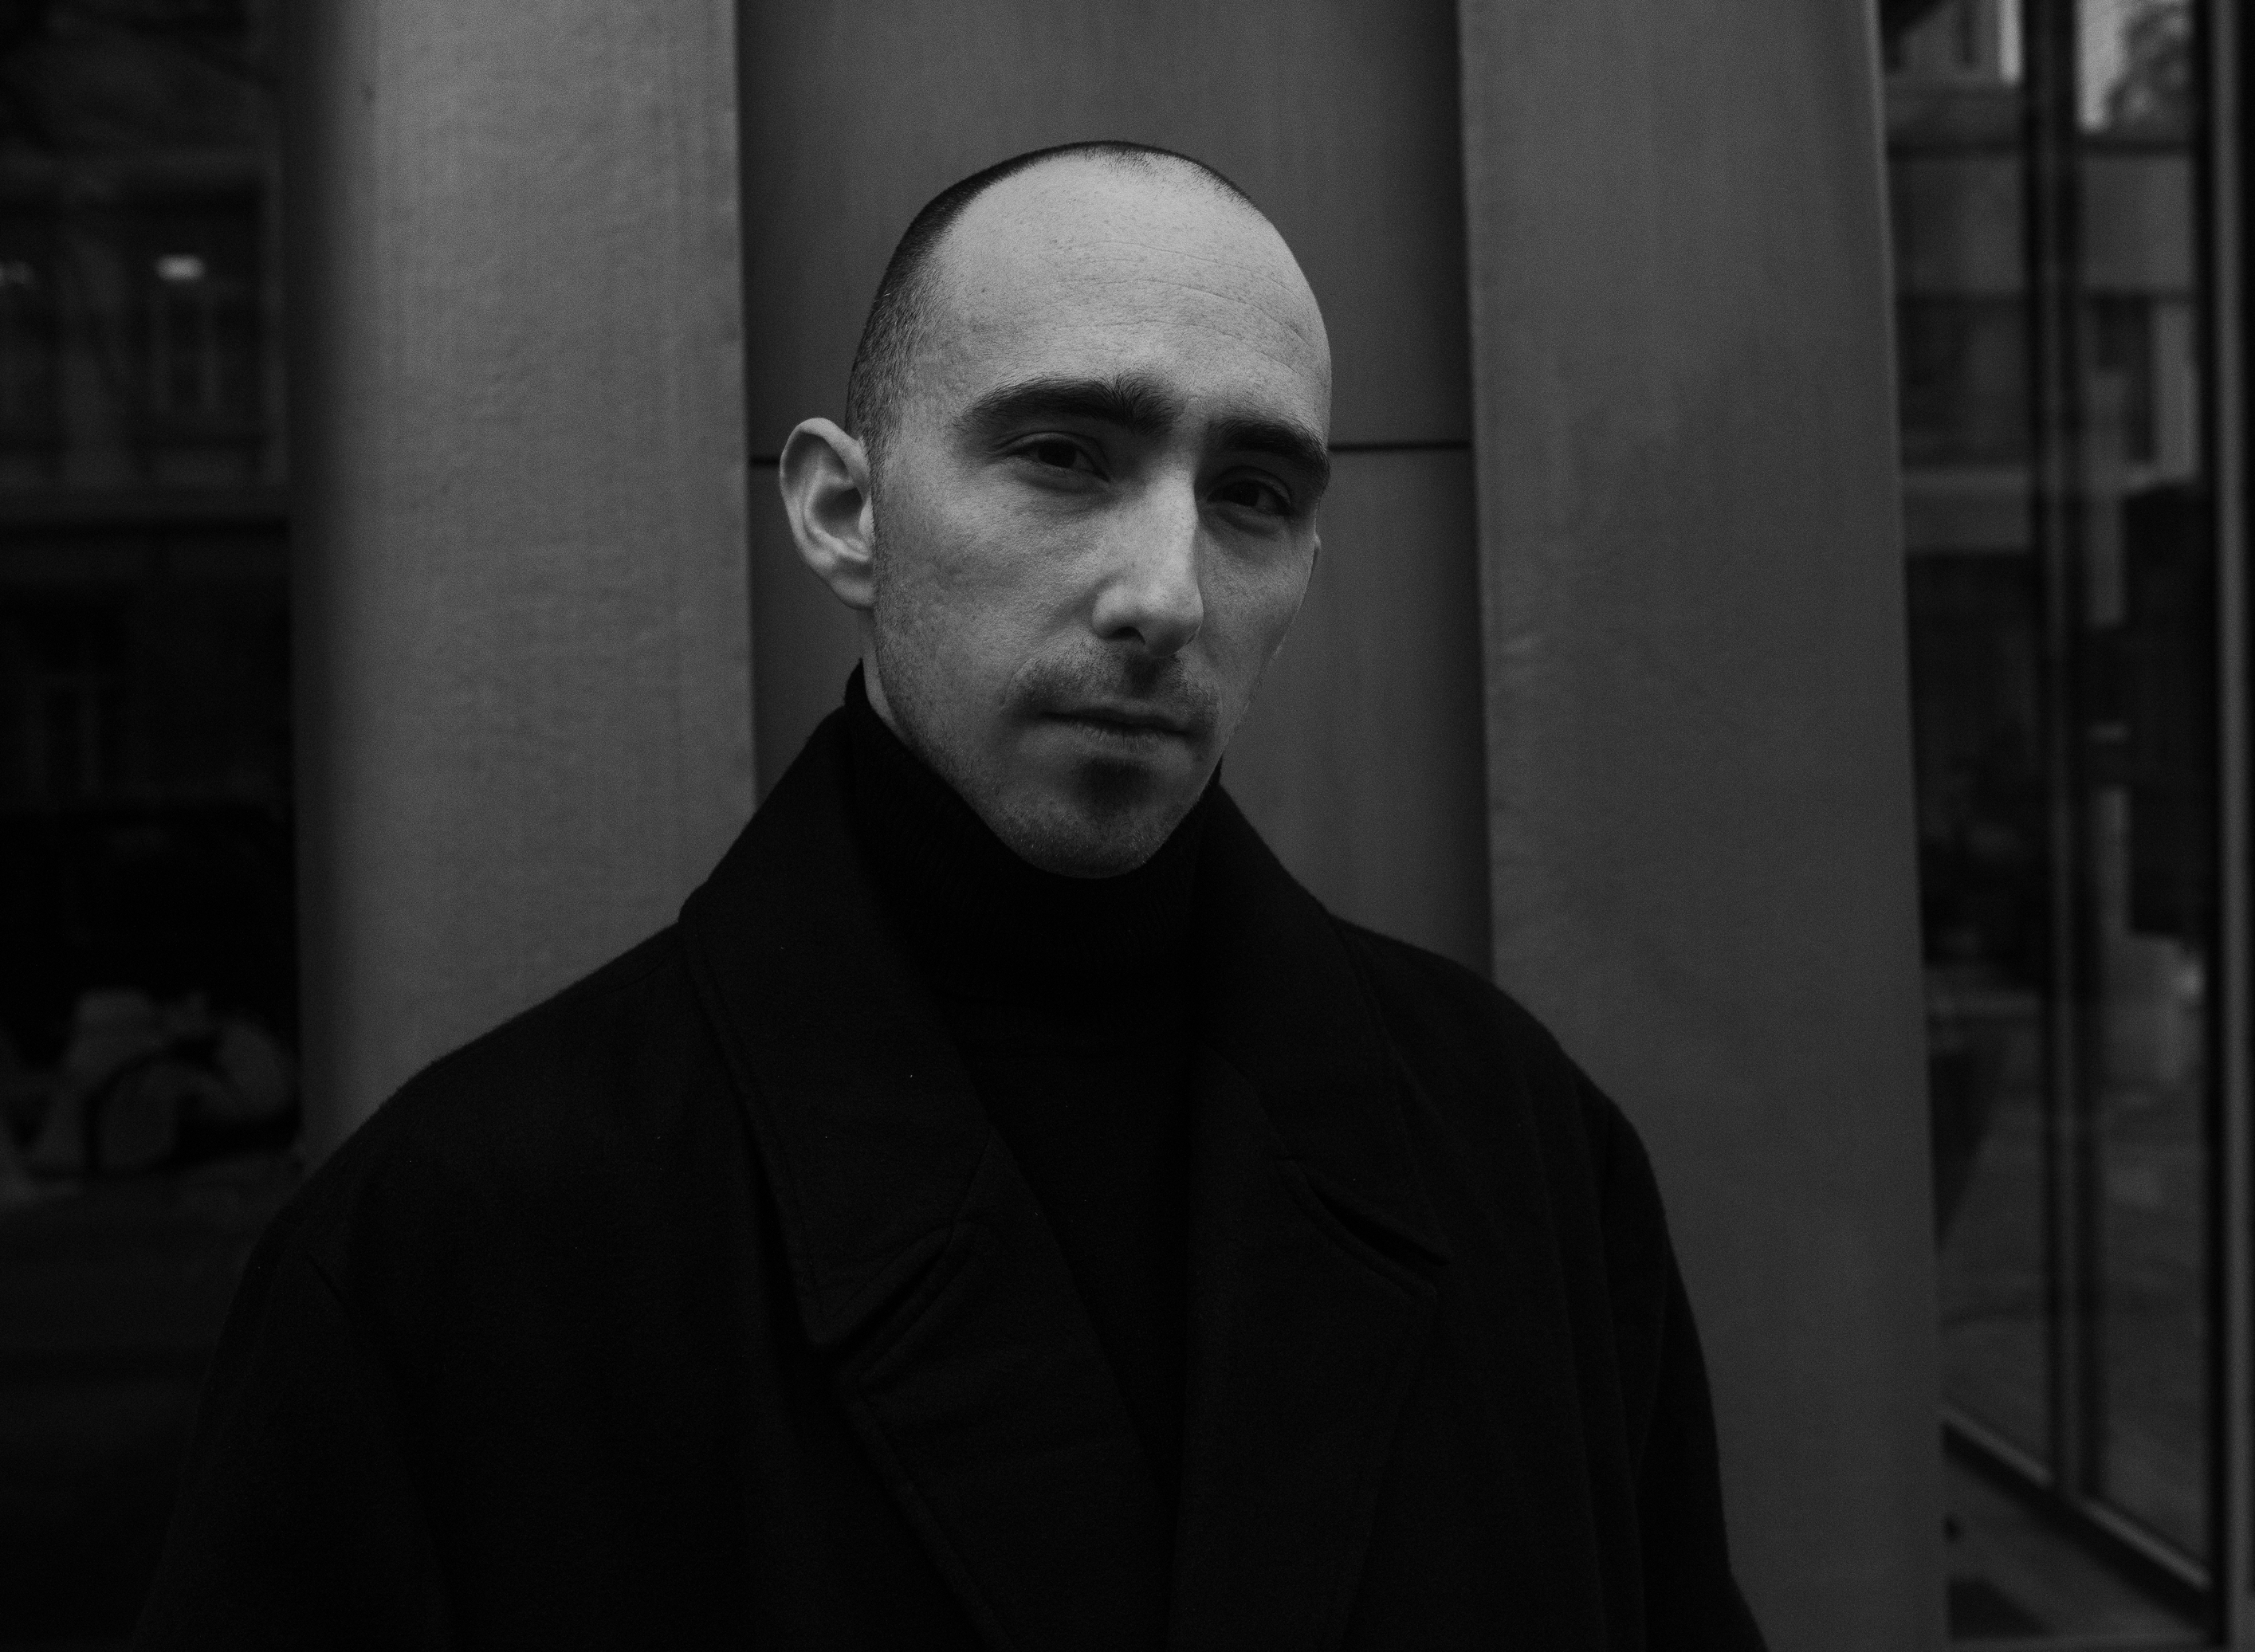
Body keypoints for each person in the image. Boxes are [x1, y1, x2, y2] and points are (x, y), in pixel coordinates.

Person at [136, 141, 1766, 1650]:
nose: (1165, 590)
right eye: (1063, 456)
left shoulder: (1523, 1154)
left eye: (1252, 493)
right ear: (843, 510)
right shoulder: (458, 1241)